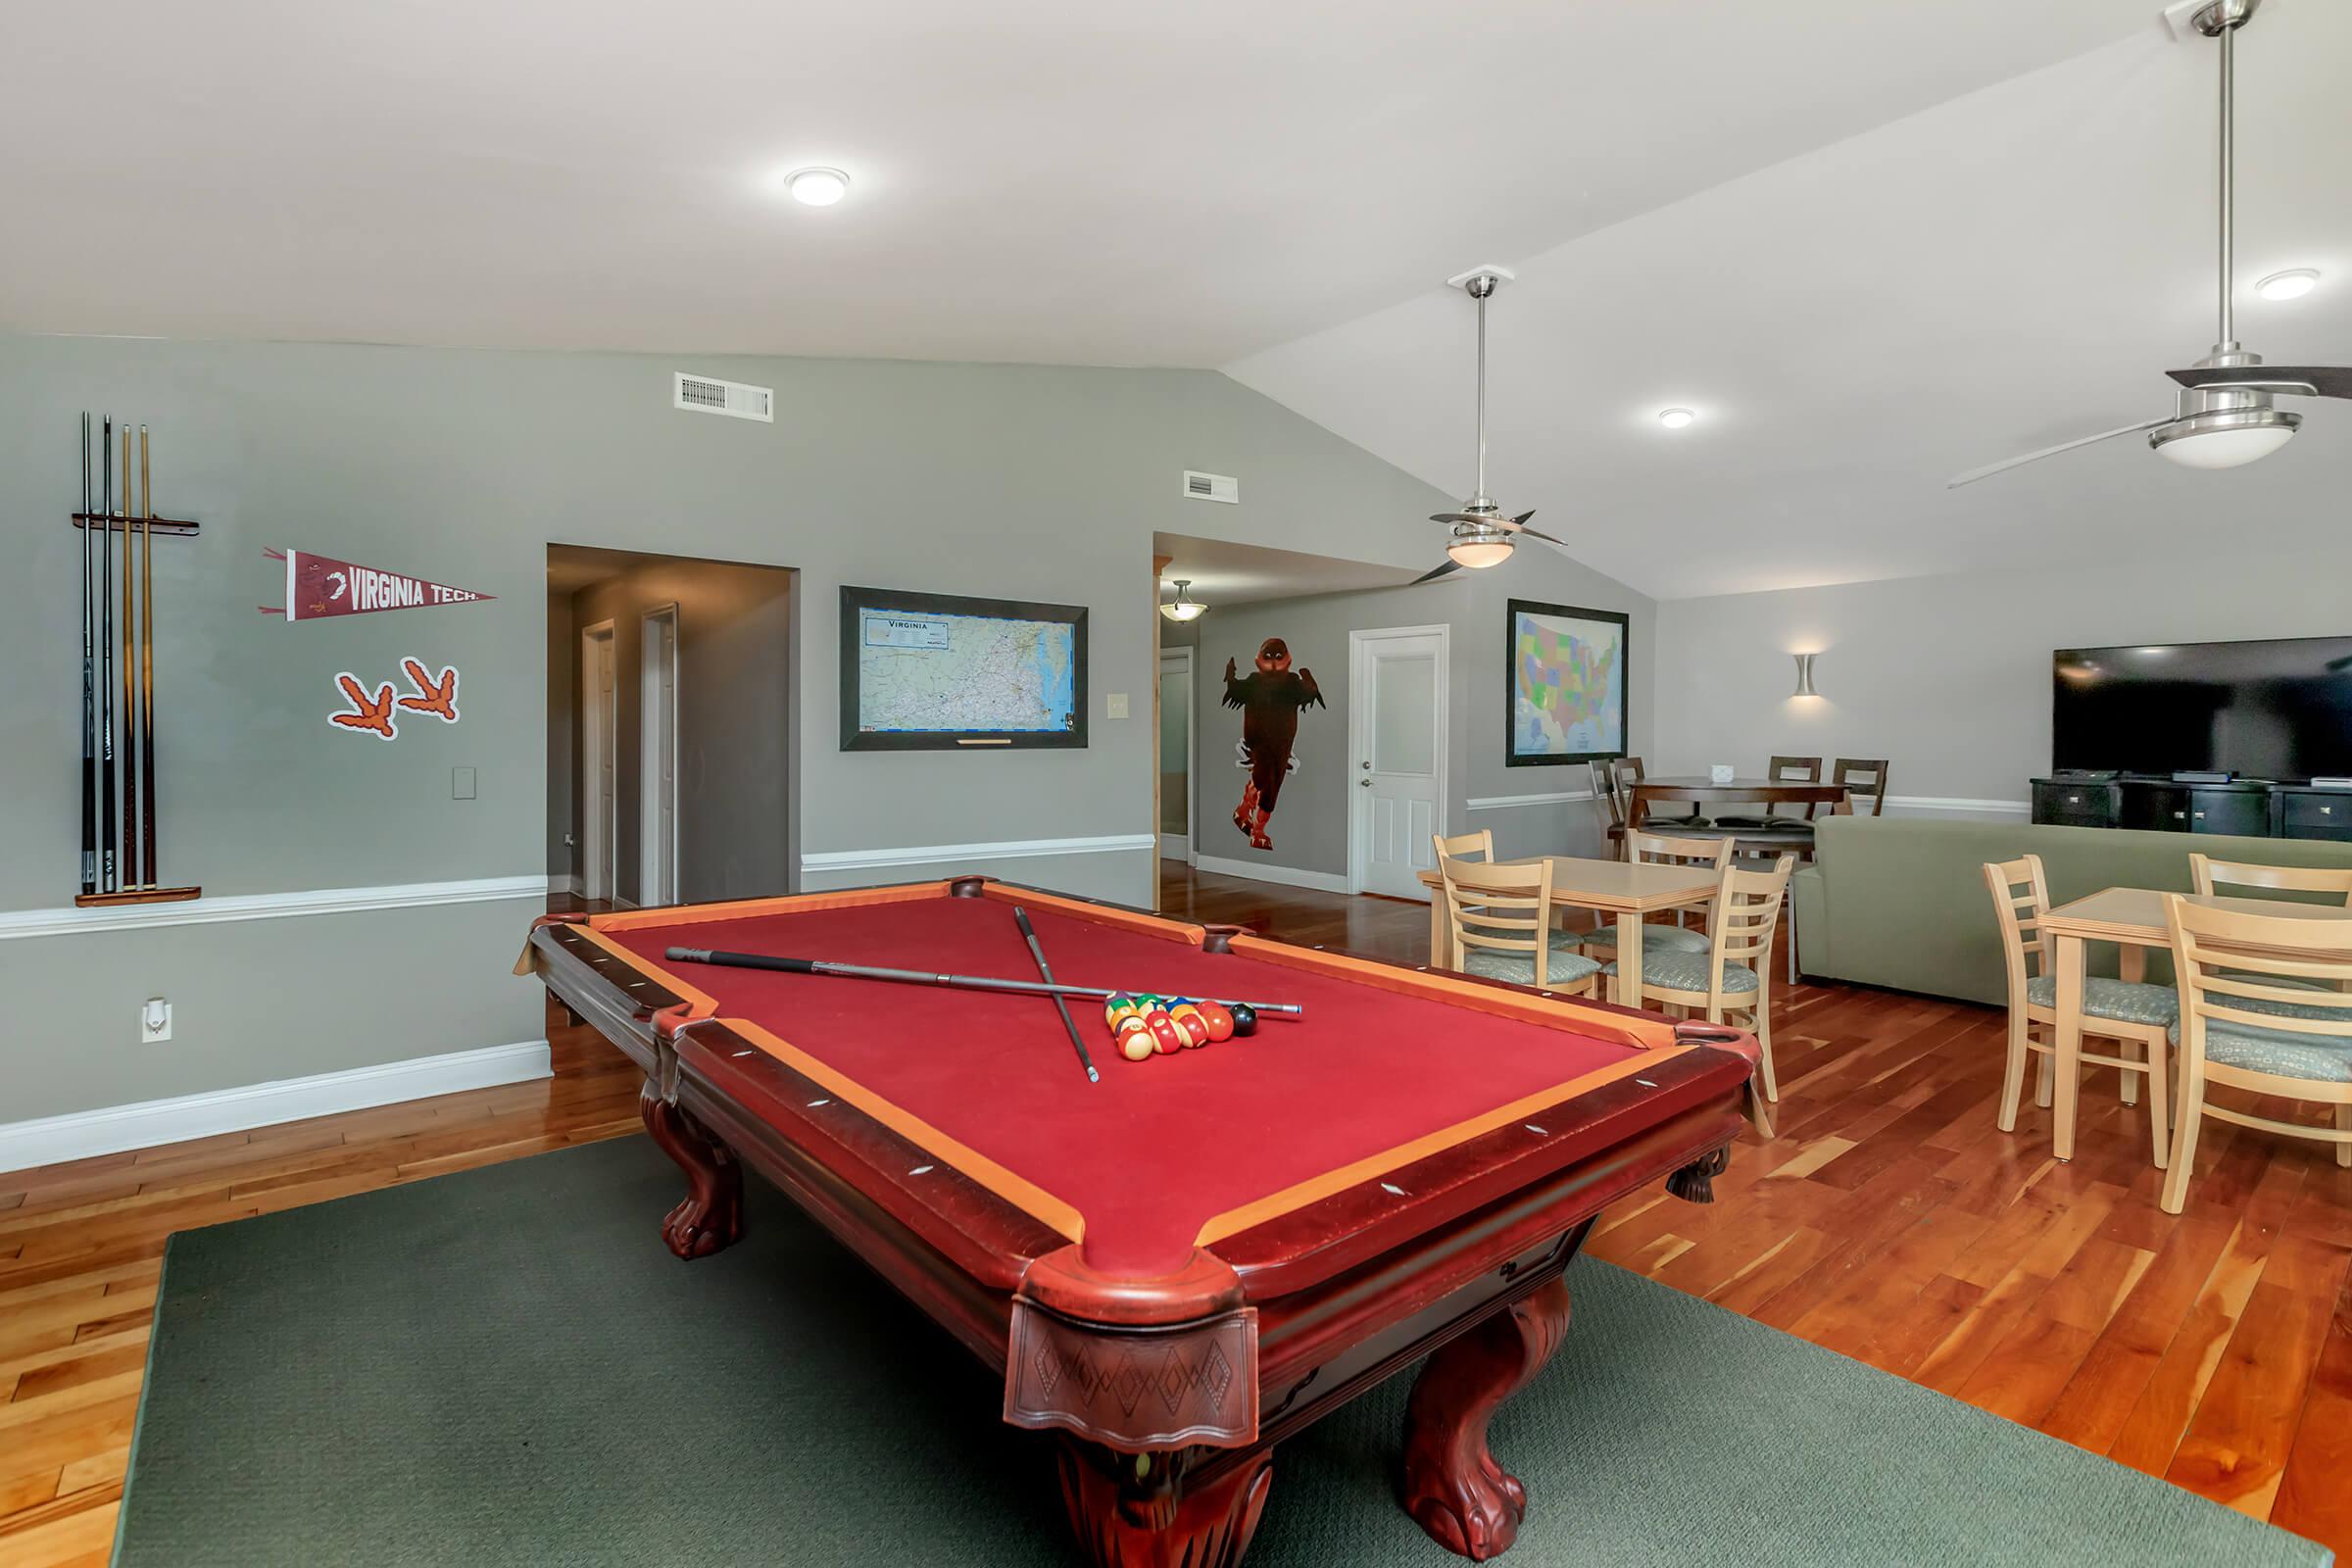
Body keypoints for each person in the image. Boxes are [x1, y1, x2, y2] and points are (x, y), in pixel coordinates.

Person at [1221, 637, 1323, 852]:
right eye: (1269, 657)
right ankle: (1256, 828)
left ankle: (1245, 813)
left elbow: (1310, 692)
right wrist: (1230, 675)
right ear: (1259, 659)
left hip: (1282, 744)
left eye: (1278, 657)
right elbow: (1235, 690)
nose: (1274, 663)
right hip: (1259, 741)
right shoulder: (1254, 682)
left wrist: (1307, 676)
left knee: (1268, 781)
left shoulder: (1293, 683)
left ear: (1287, 659)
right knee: (1266, 781)